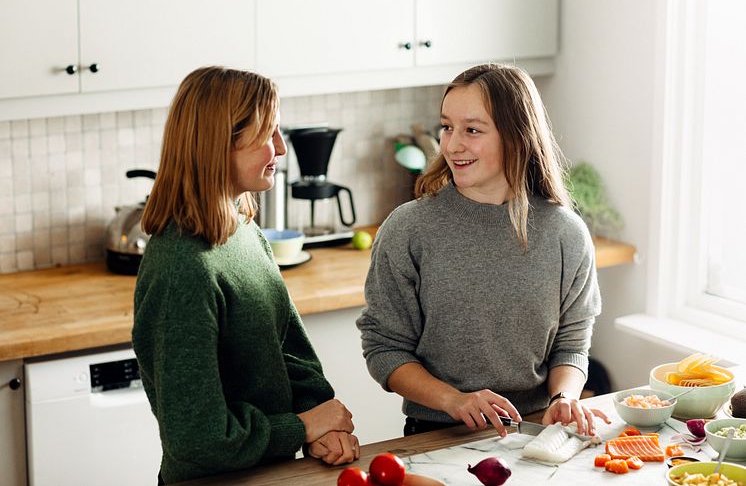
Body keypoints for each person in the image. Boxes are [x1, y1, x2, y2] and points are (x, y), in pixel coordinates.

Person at [356, 63, 610, 439]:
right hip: (436, 435)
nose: (452, 144)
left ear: (517, 137)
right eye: (447, 127)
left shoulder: (565, 233)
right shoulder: (409, 229)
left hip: (536, 432)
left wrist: (564, 396)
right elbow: (385, 348)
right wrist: (454, 400)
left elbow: (572, 342)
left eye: (472, 130)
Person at [133, 66, 359, 485]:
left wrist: (322, 422)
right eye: (267, 134)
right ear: (219, 144)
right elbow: (197, 440)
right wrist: (304, 425)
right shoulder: (183, 268)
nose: (281, 148)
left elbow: (289, 349)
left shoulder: (243, 228)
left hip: (276, 472)